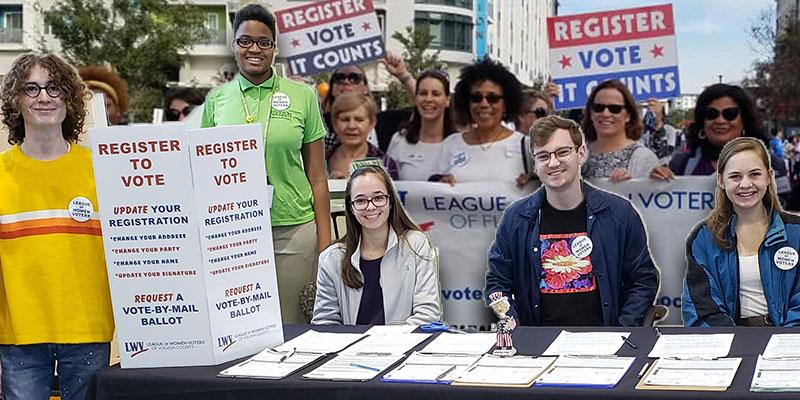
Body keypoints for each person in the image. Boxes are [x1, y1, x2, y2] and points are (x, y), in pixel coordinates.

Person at [200, 4, 331, 323]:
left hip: (294, 231)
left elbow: (317, 176)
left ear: (274, 47)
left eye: (264, 42)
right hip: (233, 233)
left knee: (293, 328)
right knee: (241, 327)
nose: (254, 49)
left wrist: (327, 247)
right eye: (245, 41)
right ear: (234, 46)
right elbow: (203, 175)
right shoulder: (217, 101)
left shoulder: (302, 96)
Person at [0, 53, 114, 399]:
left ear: (69, 99)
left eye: (54, 88)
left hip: (88, 331)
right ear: (16, 102)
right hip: (17, 337)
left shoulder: (103, 171)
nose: (44, 97)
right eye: (31, 89)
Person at [485, 115, 659, 327]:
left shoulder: (619, 214)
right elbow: (497, 283)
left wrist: (621, 332)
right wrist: (514, 326)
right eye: (543, 156)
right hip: (536, 344)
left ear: (581, 153)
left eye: (562, 152)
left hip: (604, 344)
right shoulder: (517, 218)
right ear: (535, 164)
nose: (553, 162)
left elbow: (643, 280)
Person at [683, 137, 800, 327]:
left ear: (769, 176)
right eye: (735, 176)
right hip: (727, 341)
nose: (745, 184)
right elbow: (702, 306)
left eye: (755, 174)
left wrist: (785, 340)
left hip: (790, 341)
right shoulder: (703, 238)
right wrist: (732, 343)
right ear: (721, 181)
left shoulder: (796, 233)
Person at [312, 165, 442, 325]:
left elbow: (427, 314)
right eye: (360, 201)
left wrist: (387, 344)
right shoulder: (331, 258)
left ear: (391, 202)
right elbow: (325, 324)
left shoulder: (416, 244)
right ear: (351, 208)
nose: (371, 206)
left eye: (378, 198)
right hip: (350, 349)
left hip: (403, 346)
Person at [434, 58, 527, 184]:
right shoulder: (451, 144)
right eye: (476, 98)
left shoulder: (526, 146)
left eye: (493, 98)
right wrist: (442, 185)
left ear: (506, 104)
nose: (484, 104)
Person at [322, 53, 417, 152]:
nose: (346, 82)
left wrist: (404, 76)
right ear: (332, 89)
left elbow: (426, 107)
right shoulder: (319, 124)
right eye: (339, 78)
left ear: (365, 88)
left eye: (354, 78)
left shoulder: (386, 123)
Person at [581, 80, 672, 182]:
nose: (605, 114)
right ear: (590, 112)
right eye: (598, 108)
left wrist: (630, 187)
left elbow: (651, 195)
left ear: (628, 115)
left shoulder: (643, 159)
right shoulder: (575, 154)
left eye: (615, 109)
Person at [386, 69, 455, 180]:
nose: (428, 99)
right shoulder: (399, 140)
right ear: (416, 98)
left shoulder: (459, 143)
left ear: (447, 100)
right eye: (423, 93)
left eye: (436, 94)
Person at [326, 92, 398, 179]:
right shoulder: (319, 159)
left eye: (359, 120)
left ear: (372, 124)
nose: (351, 126)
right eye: (345, 119)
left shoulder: (385, 164)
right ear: (335, 124)